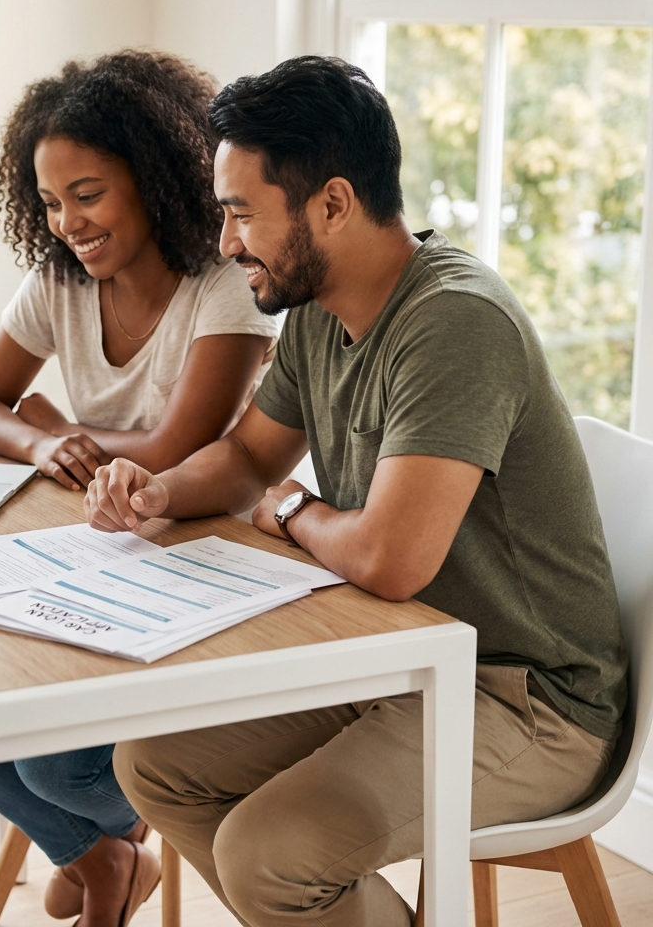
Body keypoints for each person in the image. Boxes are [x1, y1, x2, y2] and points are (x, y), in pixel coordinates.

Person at [84, 55, 628, 927]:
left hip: (529, 701)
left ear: (332, 204)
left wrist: (298, 512)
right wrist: (155, 491)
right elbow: (247, 461)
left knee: (266, 856)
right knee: (153, 764)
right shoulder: (318, 310)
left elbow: (389, 557)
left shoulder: (455, 321)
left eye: (241, 214)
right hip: (399, 661)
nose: (226, 244)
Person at [0, 50, 280, 927]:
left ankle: (104, 841)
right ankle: (100, 855)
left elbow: (185, 446)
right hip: (97, 550)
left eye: (87, 194)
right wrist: (38, 437)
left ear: (157, 178)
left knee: (53, 767)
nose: (67, 223)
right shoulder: (59, 280)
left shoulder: (223, 286)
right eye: (51, 202)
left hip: (208, 565)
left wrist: (71, 435)